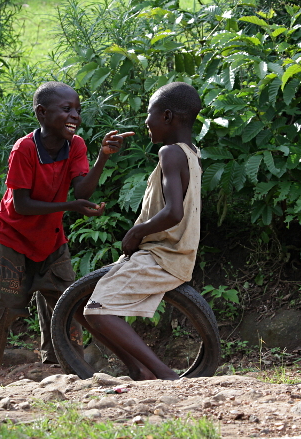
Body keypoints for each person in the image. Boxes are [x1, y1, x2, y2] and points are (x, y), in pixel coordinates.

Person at [0, 81, 134, 389]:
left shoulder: (75, 145)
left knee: (71, 304)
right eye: (67, 109)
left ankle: (74, 377)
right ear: (41, 112)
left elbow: (83, 189)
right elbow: (22, 205)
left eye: (78, 109)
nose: (75, 115)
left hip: (51, 240)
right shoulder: (24, 149)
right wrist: (70, 205)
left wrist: (103, 156)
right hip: (11, 240)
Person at [81, 81, 202, 381]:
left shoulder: (170, 153)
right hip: (171, 252)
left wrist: (136, 233)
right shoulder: (191, 152)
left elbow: (174, 211)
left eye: (150, 113)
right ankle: (138, 370)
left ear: (168, 117)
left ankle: (164, 374)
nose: (145, 121)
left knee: (96, 310)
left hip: (162, 255)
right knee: (87, 308)